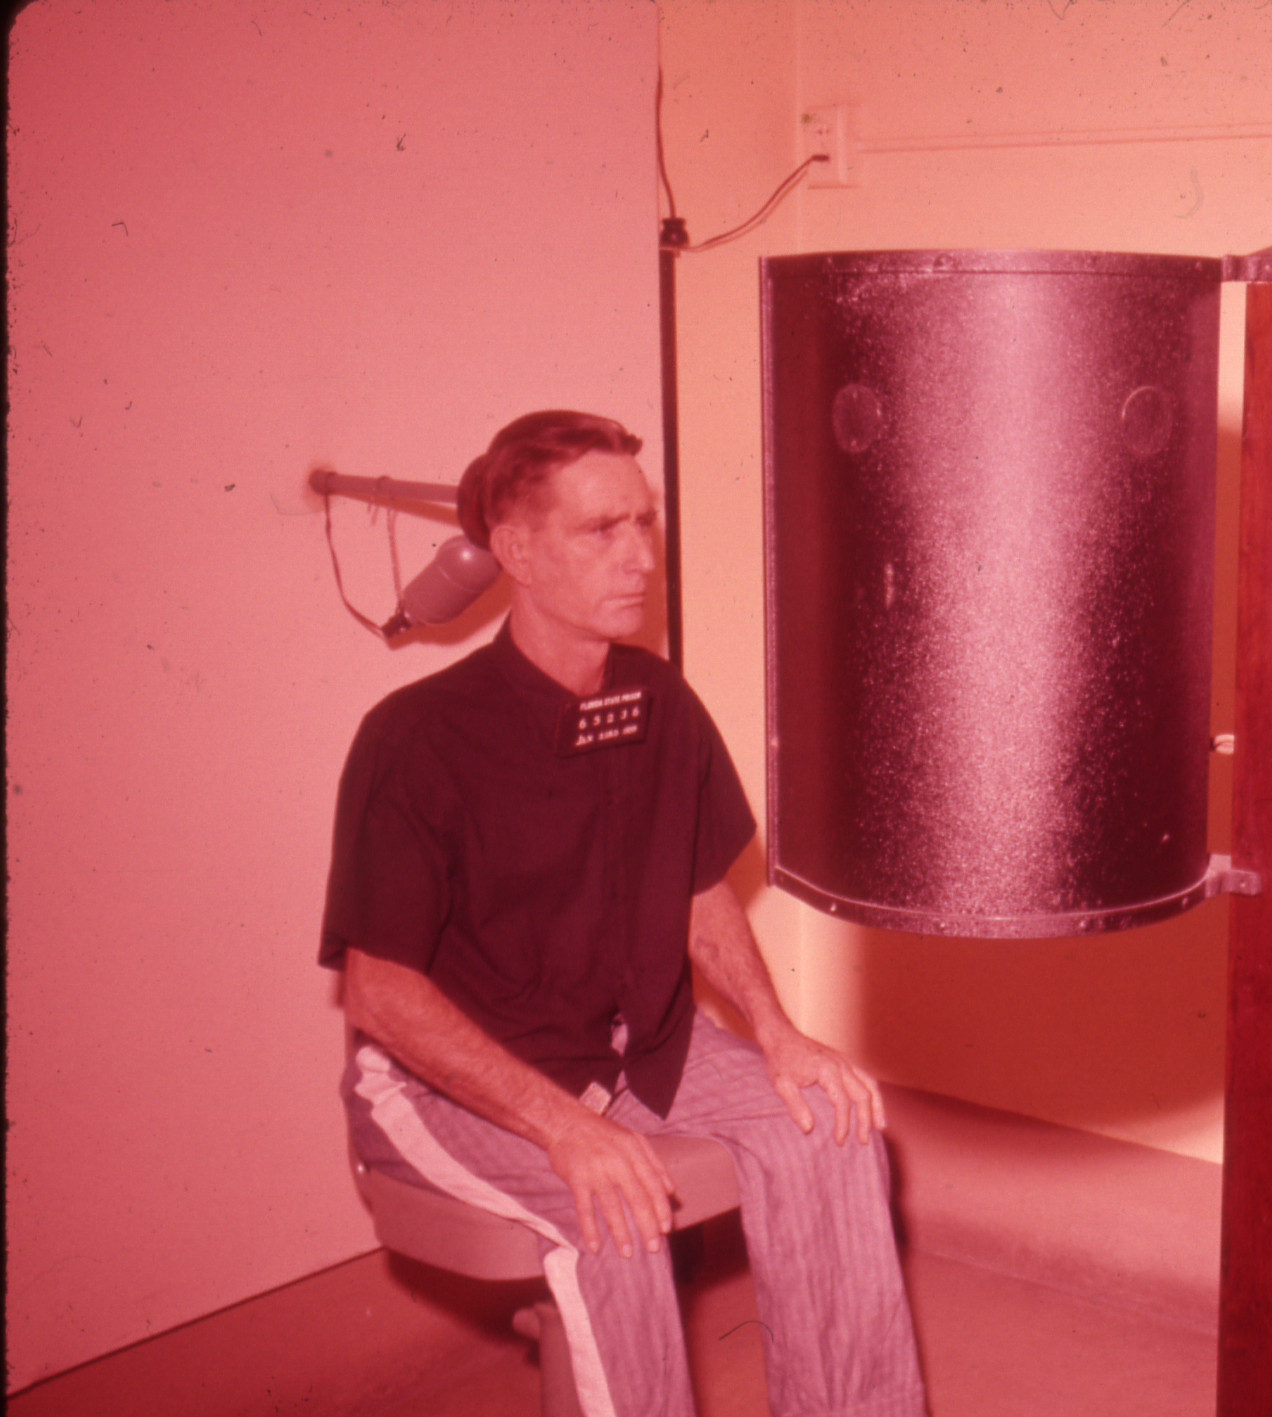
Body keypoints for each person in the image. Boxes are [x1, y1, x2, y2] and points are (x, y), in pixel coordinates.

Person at [320, 411, 927, 1417]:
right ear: (515, 550)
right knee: (615, 1211)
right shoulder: (415, 739)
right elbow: (382, 996)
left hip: (629, 1048)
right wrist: (564, 1126)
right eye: (602, 531)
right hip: (443, 1086)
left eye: (642, 525)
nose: (640, 557)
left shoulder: (659, 702)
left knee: (831, 1127)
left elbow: (696, 894)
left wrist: (778, 1037)